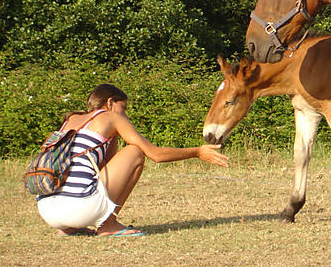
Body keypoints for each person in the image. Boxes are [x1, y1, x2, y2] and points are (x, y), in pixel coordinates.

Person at [36, 83, 228, 237]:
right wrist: (197, 152)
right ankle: (108, 224)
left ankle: (69, 228)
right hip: (80, 209)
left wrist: (113, 138)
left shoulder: (71, 120)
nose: (126, 115)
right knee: (135, 151)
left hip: (48, 211)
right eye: (124, 108)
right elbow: (156, 155)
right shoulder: (111, 117)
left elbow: (104, 168)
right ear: (110, 103)